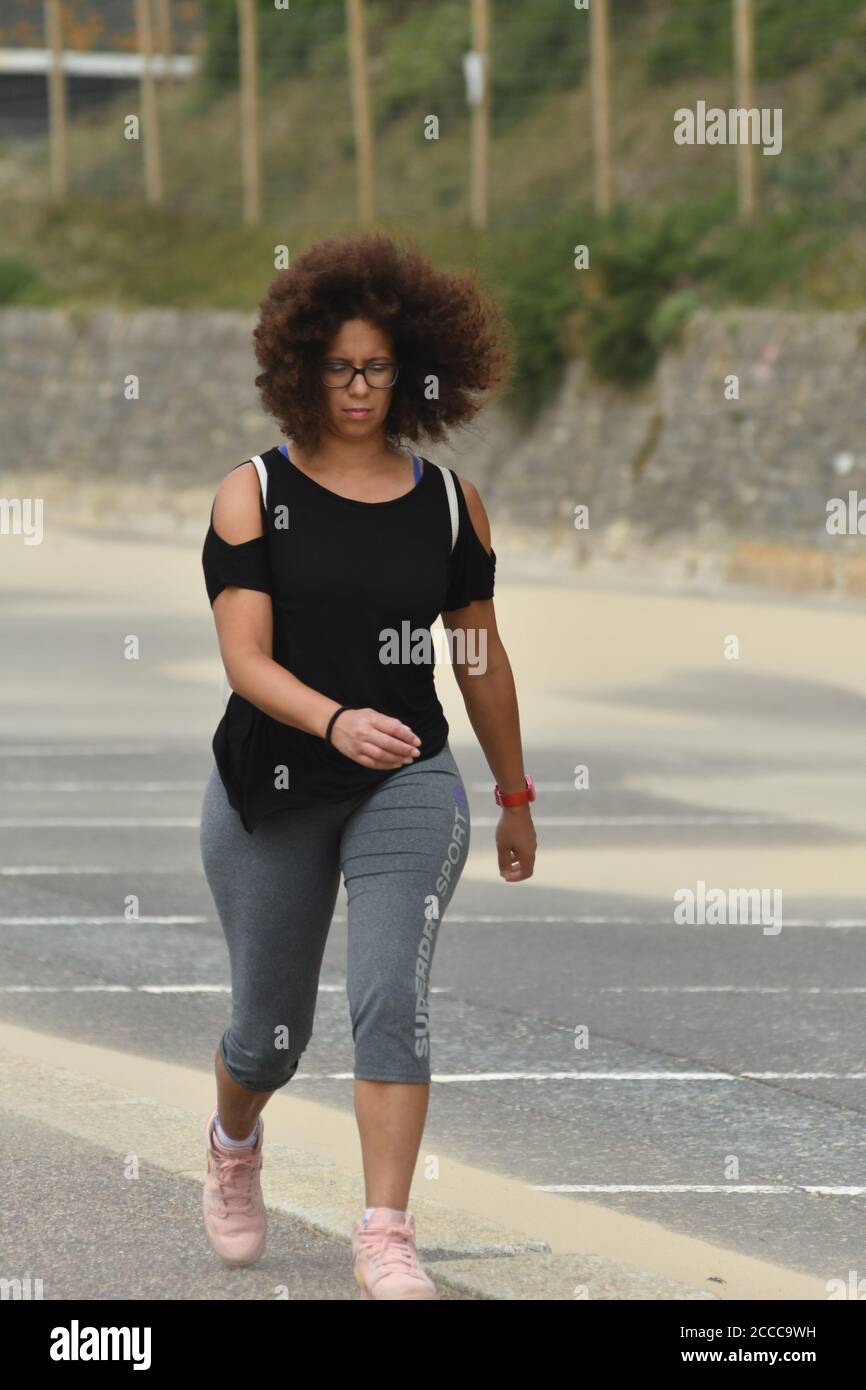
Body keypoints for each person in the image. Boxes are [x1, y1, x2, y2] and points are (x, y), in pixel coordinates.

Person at [198, 231, 537, 1300]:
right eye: (339, 367)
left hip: (408, 776)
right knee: (268, 1033)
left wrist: (514, 791)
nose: (358, 387)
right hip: (275, 781)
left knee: (392, 994)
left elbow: (475, 656)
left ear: (414, 371)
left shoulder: (447, 505)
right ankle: (233, 1139)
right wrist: (333, 718)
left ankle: (384, 1230)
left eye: (379, 368)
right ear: (300, 368)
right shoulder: (253, 493)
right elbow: (245, 659)